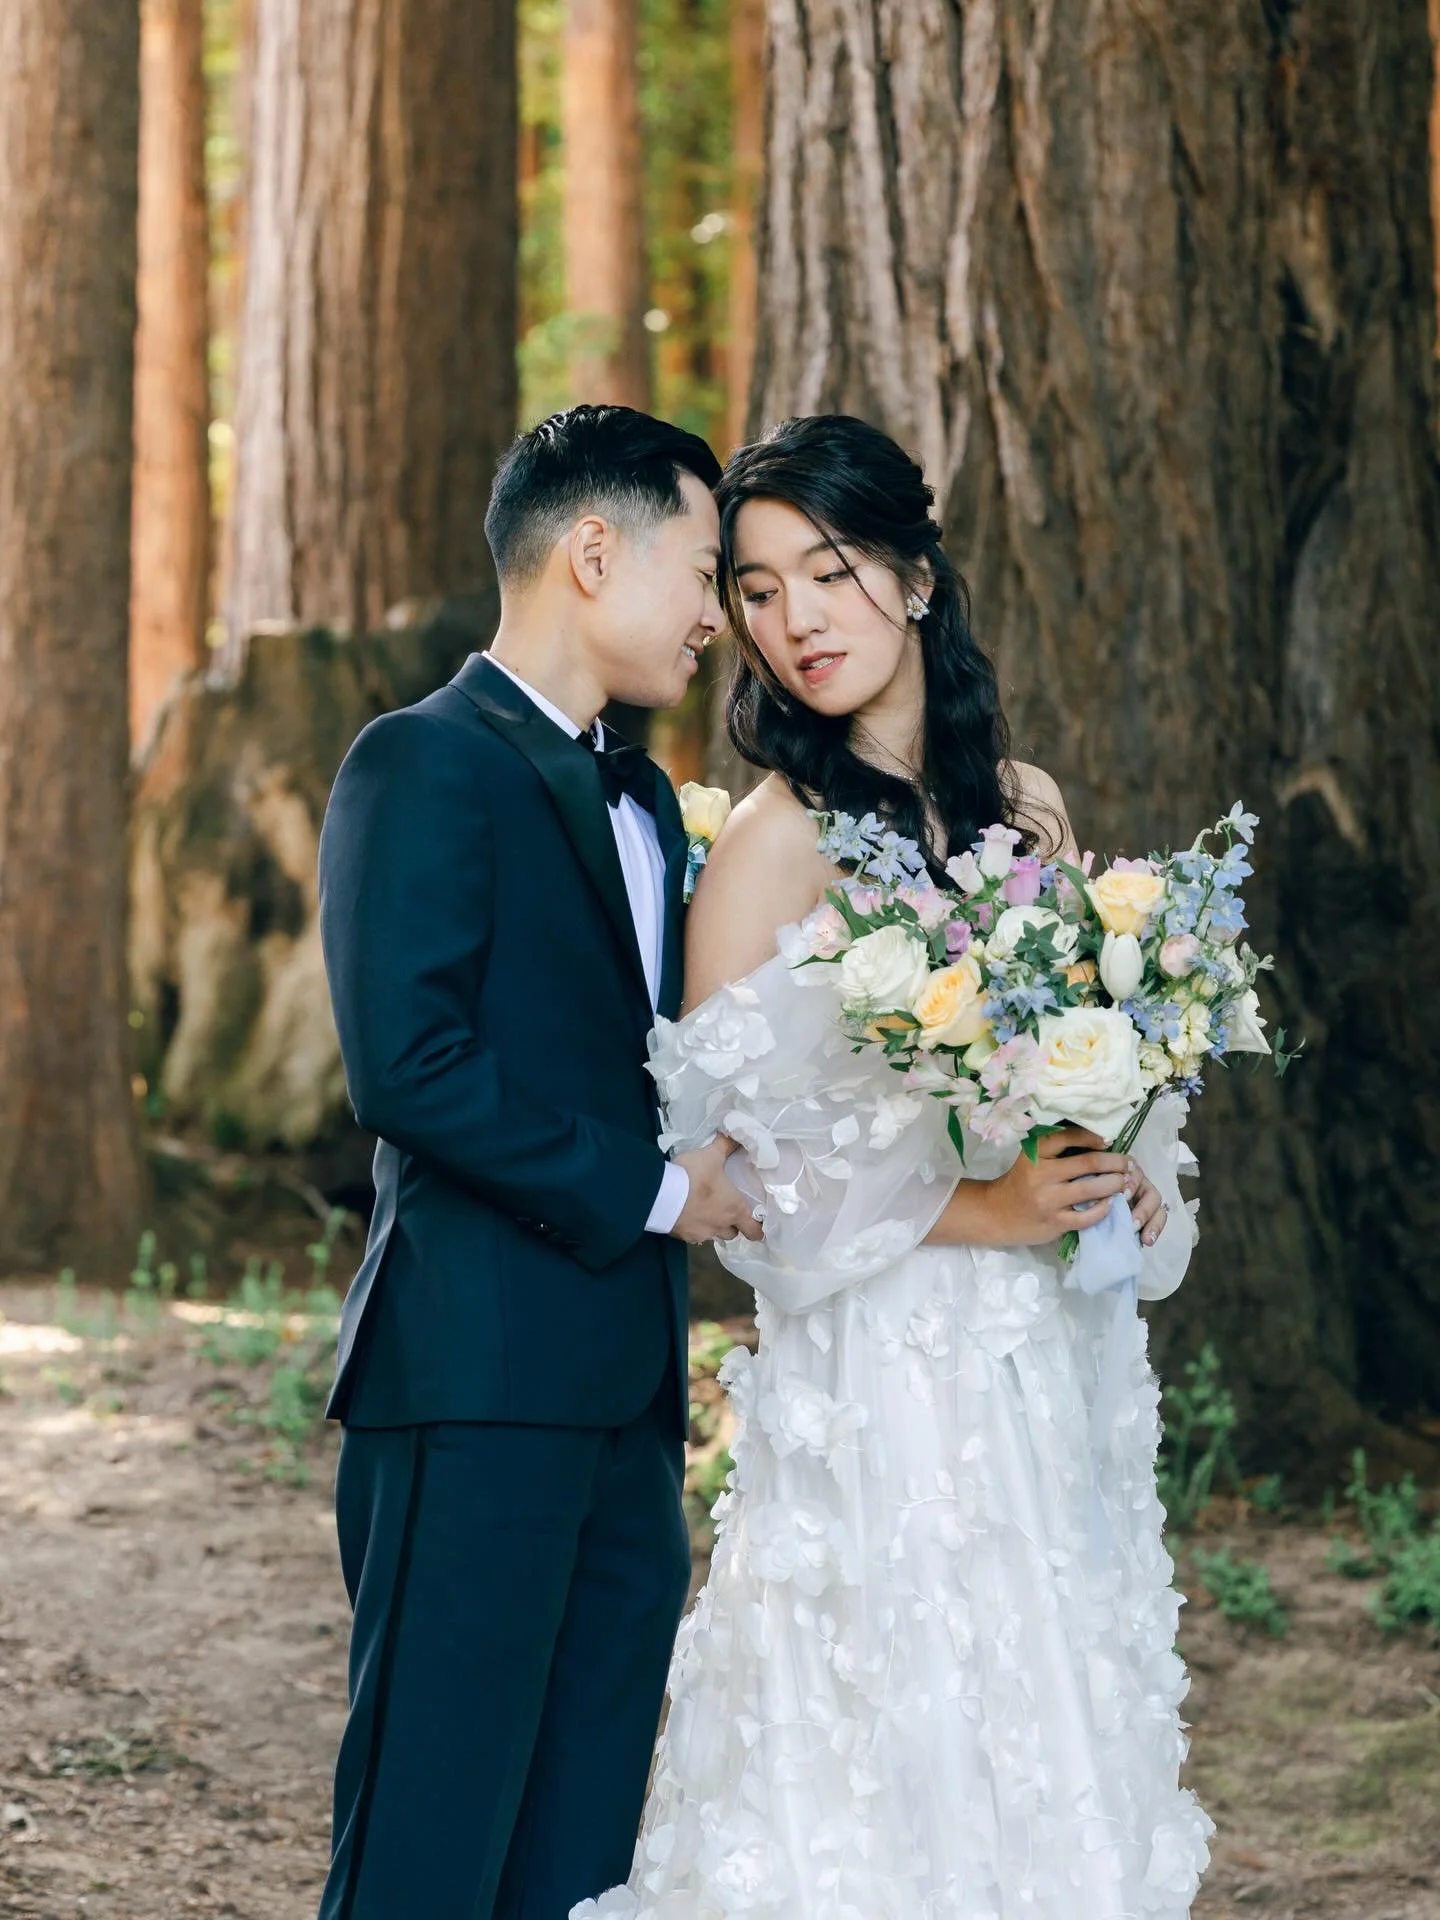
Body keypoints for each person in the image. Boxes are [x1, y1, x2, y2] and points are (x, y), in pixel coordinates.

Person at [578, 415, 1213, 1919]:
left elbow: (1093, 1054)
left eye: (832, 569)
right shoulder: (773, 843)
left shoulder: (1029, 809)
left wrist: (1122, 1166)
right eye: (757, 587)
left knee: (1043, 1711)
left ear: (916, 577)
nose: (797, 618)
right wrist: (975, 1204)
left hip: (1035, 1360)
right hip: (881, 1364)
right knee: (880, 1737)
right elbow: (721, 1173)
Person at [314, 404, 762, 1920]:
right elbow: (409, 1067)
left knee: (581, 1861)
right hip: (473, 1388)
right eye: (703, 571)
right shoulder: (419, 764)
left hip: (627, 1407)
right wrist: (655, 1194)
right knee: (427, 1853)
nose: (718, 615)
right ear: (591, 552)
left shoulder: (641, 795)